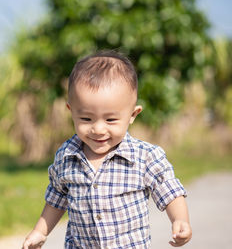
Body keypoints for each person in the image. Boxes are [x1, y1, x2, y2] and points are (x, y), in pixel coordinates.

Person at [22, 50, 192, 249]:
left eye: (110, 120)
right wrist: (40, 231)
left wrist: (180, 220)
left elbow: (169, 190)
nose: (98, 129)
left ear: (133, 114)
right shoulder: (67, 156)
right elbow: (56, 199)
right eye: (86, 119)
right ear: (71, 111)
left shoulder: (145, 156)